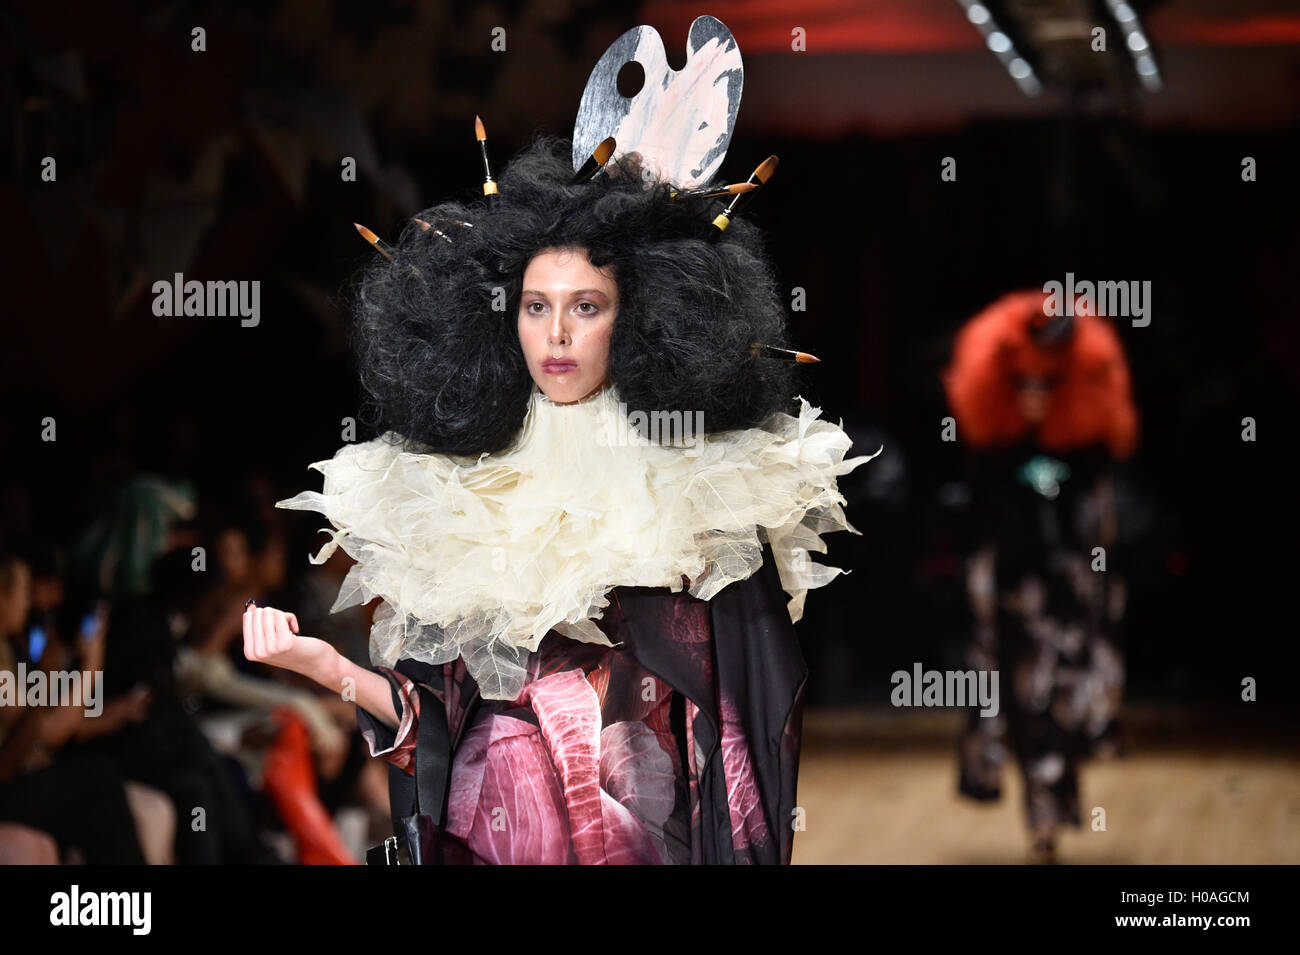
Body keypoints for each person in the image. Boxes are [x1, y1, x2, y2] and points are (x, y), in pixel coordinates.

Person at [247, 130, 875, 864]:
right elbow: (439, 731)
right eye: (534, 305)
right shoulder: (458, 491)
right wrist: (327, 667)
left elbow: (741, 724)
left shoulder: (700, 491)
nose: (556, 334)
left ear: (634, 319)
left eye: (586, 306)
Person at [942, 289, 1138, 863]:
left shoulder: (1089, 453)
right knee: (1020, 705)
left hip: (1070, 605)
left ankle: (1054, 810)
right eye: (1022, 383)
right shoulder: (986, 452)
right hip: (1010, 603)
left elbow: (1100, 545)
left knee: (1063, 707)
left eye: (1047, 385)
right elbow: (977, 543)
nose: (1033, 397)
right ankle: (1042, 822)